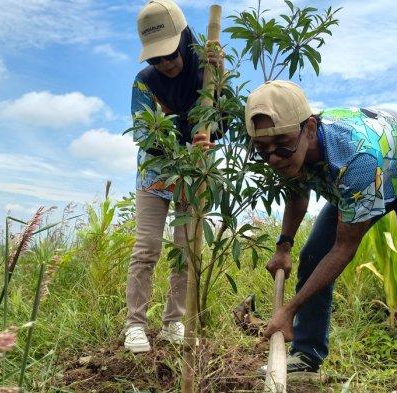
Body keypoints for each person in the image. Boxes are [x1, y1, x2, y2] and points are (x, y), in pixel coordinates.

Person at [246, 80, 397, 392]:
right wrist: (284, 245)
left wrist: (288, 310)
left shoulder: (354, 158)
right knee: (311, 255)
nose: (274, 158)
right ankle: (307, 356)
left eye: (281, 145)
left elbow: (344, 248)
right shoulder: (288, 146)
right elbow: (297, 192)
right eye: (262, 150)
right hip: (375, 173)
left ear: (309, 129)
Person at [125, 0, 221, 353]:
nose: (165, 64)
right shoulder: (144, 83)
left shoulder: (206, 74)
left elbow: (220, 123)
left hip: (195, 176)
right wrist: (182, 152)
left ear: (184, 42)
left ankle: (173, 321)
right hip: (155, 176)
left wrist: (218, 82)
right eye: (156, 58)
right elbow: (145, 136)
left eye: (170, 55)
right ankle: (135, 325)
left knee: (185, 251)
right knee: (146, 248)